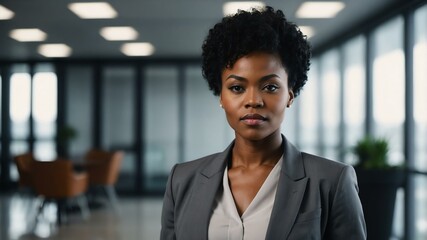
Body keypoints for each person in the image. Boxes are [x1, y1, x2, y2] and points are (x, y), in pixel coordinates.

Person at [161, 6, 366, 240]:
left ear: (290, 94)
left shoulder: (332, 181)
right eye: (237, 88)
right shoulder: (182, 180)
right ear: (221, 96)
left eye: (270, 87)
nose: (253, 101)